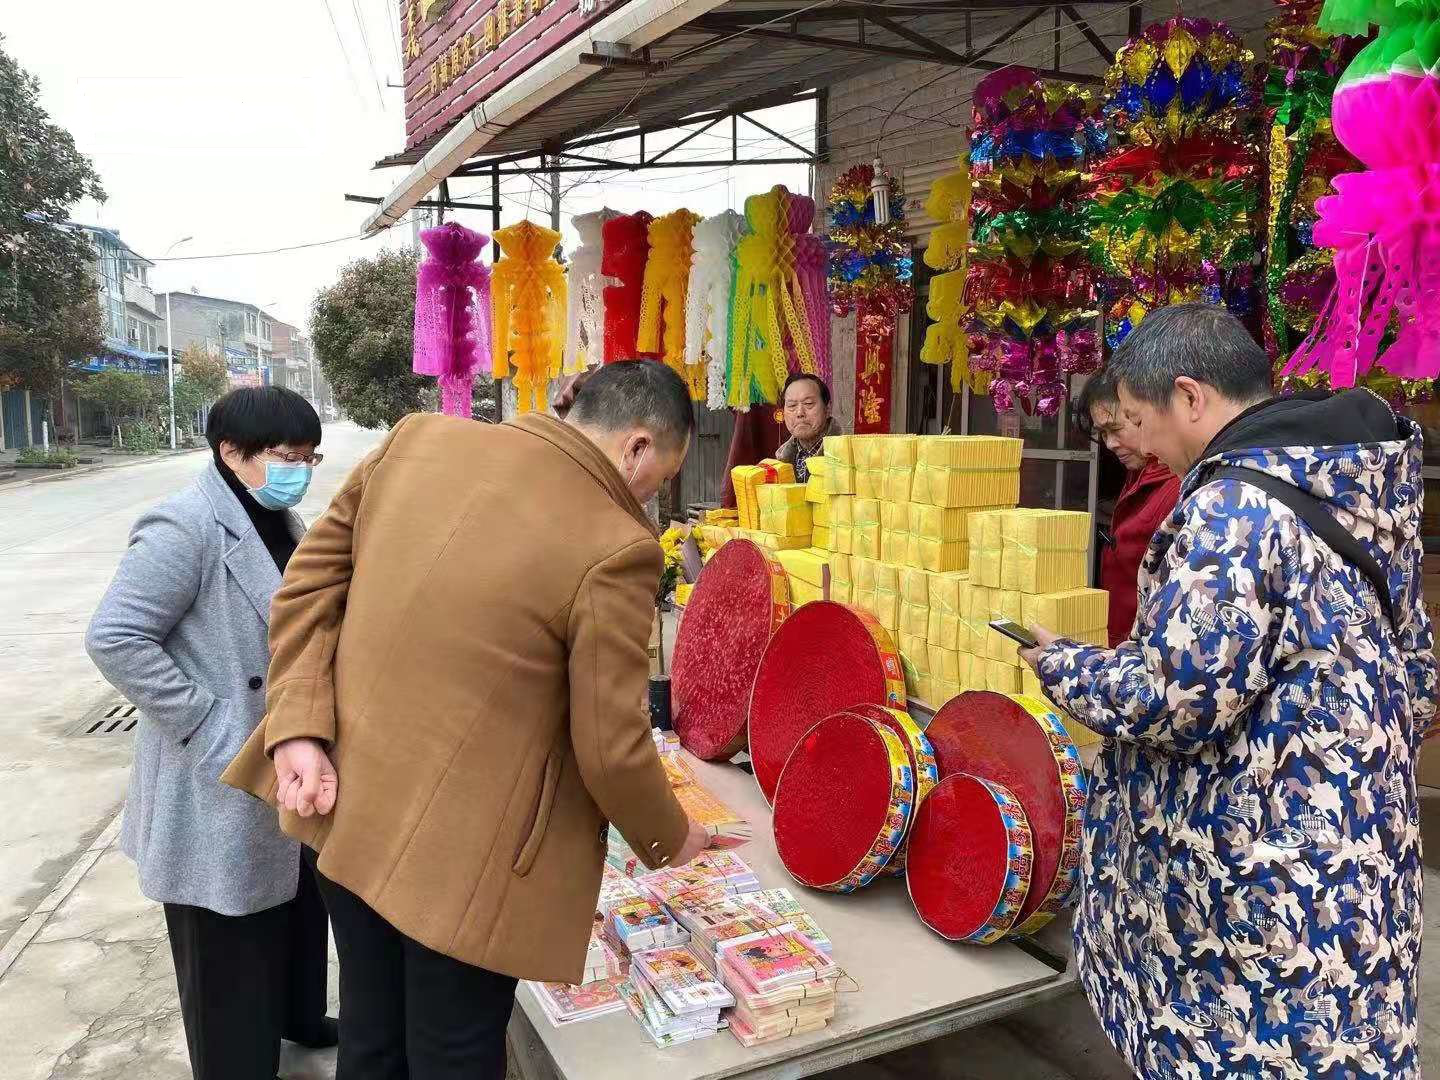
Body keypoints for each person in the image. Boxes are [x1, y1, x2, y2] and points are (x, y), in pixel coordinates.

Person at [221, 360, 712, 1080]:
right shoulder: (617, 545)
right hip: (469, 867)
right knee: (453, 1053)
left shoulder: (417, 440)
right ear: (637, 447)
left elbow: (308, 584)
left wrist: (298, 725)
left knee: (373, 1032)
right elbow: (609, 745)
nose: (652, 493)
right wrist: (672, 835)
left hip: (346, 811)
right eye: (662, 475)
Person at [1020, 304, 1435, 1079]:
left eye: (1139, 419)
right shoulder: (1359, 480)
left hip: (1264, 871)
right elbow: (1419, 679)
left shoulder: (1232, 504)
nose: (1138, 446)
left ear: (1190, 397)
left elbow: (1177, 699)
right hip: (1358, 848)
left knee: (1252, 1043)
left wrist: (1063, 665)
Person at [85, 386, 336, 1080]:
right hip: (219, 773)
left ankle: (298, 1017)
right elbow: (115, 637)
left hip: (287, 762)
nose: (301, 471)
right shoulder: (184, 525)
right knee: (227, 940)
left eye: (310, 457)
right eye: (287, 457)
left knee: (293, 912)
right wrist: (209, 720)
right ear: (230, 451)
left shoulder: (279, 518)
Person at [1075, 369, 1181, 646]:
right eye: (1102, 434)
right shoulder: (1139, 471)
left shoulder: (1176, 485)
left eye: (1116, 430)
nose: (1110, 444)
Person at [774, 372, 842, 483]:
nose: (800, 413)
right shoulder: (781, 460)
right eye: (792, 406)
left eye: (808, 403)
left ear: (828, 409)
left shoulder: (846, 455)